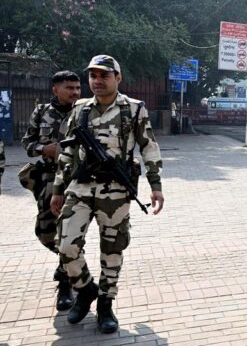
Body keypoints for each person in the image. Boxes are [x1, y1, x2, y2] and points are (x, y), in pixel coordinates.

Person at [50, 55, 165, 333]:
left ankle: (105, 303)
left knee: (112, 249)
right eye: (93, 75)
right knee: (65, 245)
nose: (97, 80)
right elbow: (67, 151)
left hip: (115, 190)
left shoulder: (134, 109)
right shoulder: (80, 108)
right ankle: (86, 289)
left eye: (104, 75)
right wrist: (57, 189)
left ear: (118, 78)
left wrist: (156, 185)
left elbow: (148, 146)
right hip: (80, 187)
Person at [20, 70, 82, 311]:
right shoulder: (41, 111)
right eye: (69, 88)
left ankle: (66, 282)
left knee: (72, 231)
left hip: (76, 181)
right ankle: (69, 263)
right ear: (55, 89)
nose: (75, 92)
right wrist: (44, 149)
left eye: (77, 88)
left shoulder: (85, 112)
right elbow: (27, 143)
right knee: (45, 232)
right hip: (47, 181)